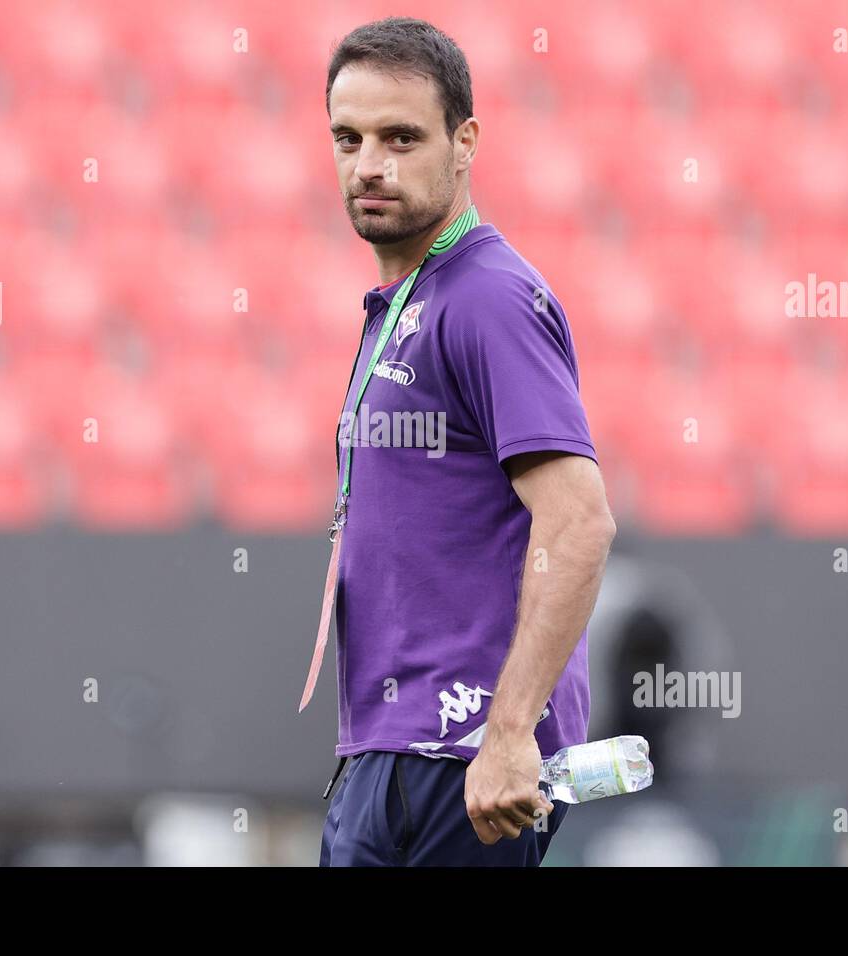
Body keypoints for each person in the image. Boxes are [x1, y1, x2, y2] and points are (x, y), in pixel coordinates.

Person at [309, 16, 615, 866]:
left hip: (465, 757)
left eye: (401, 137)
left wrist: (511, 730)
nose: (369, 163)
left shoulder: (486, 298)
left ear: (465, 140)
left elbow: (578, 522)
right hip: (388, 750)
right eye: (349, 137)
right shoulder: (407, 303)